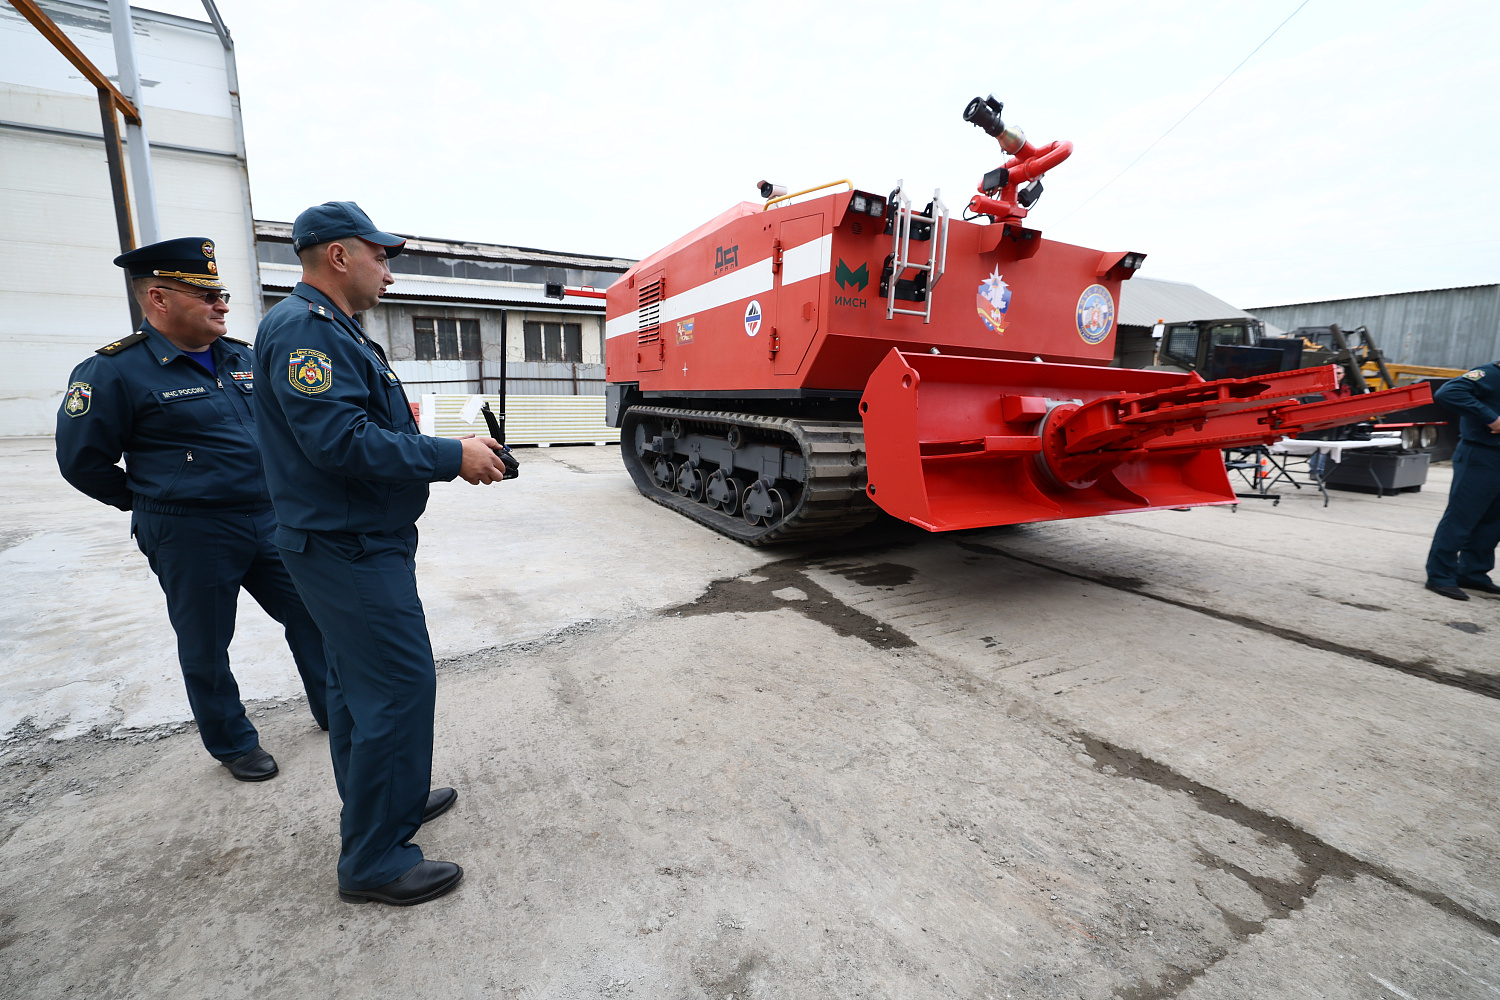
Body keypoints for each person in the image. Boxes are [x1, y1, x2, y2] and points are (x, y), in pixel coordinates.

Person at [251, 201, 509, 907]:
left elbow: (359, 428)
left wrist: (444, 450)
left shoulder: (335, 329)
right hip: (348, 547)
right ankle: (373, 859)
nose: (389, 271)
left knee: (356, 688)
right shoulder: (306, 331)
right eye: (381, 256)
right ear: (339, 256)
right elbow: (340, 442)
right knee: (397, 687)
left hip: (357, 540)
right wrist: (449, 456)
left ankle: (385, 802)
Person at [55, 238, 330, 781]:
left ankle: (334, 709)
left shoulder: (245, 357)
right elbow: (82, 462)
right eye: (205, 294)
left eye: (221, 293)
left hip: (271, 519)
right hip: (189, 532)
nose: (222, 304)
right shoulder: (111, 371)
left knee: (315, 617)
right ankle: (232, 743)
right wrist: (155, 500)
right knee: (206, 642)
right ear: (157, 298)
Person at [1424, 361, 1500, 600]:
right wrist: (1491, 418)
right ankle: (1440, 575)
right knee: (1462, 517)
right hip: (1481, 454)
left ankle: (1472, 573)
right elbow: (1449, 392)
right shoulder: (1491, 373)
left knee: (1492, 522)